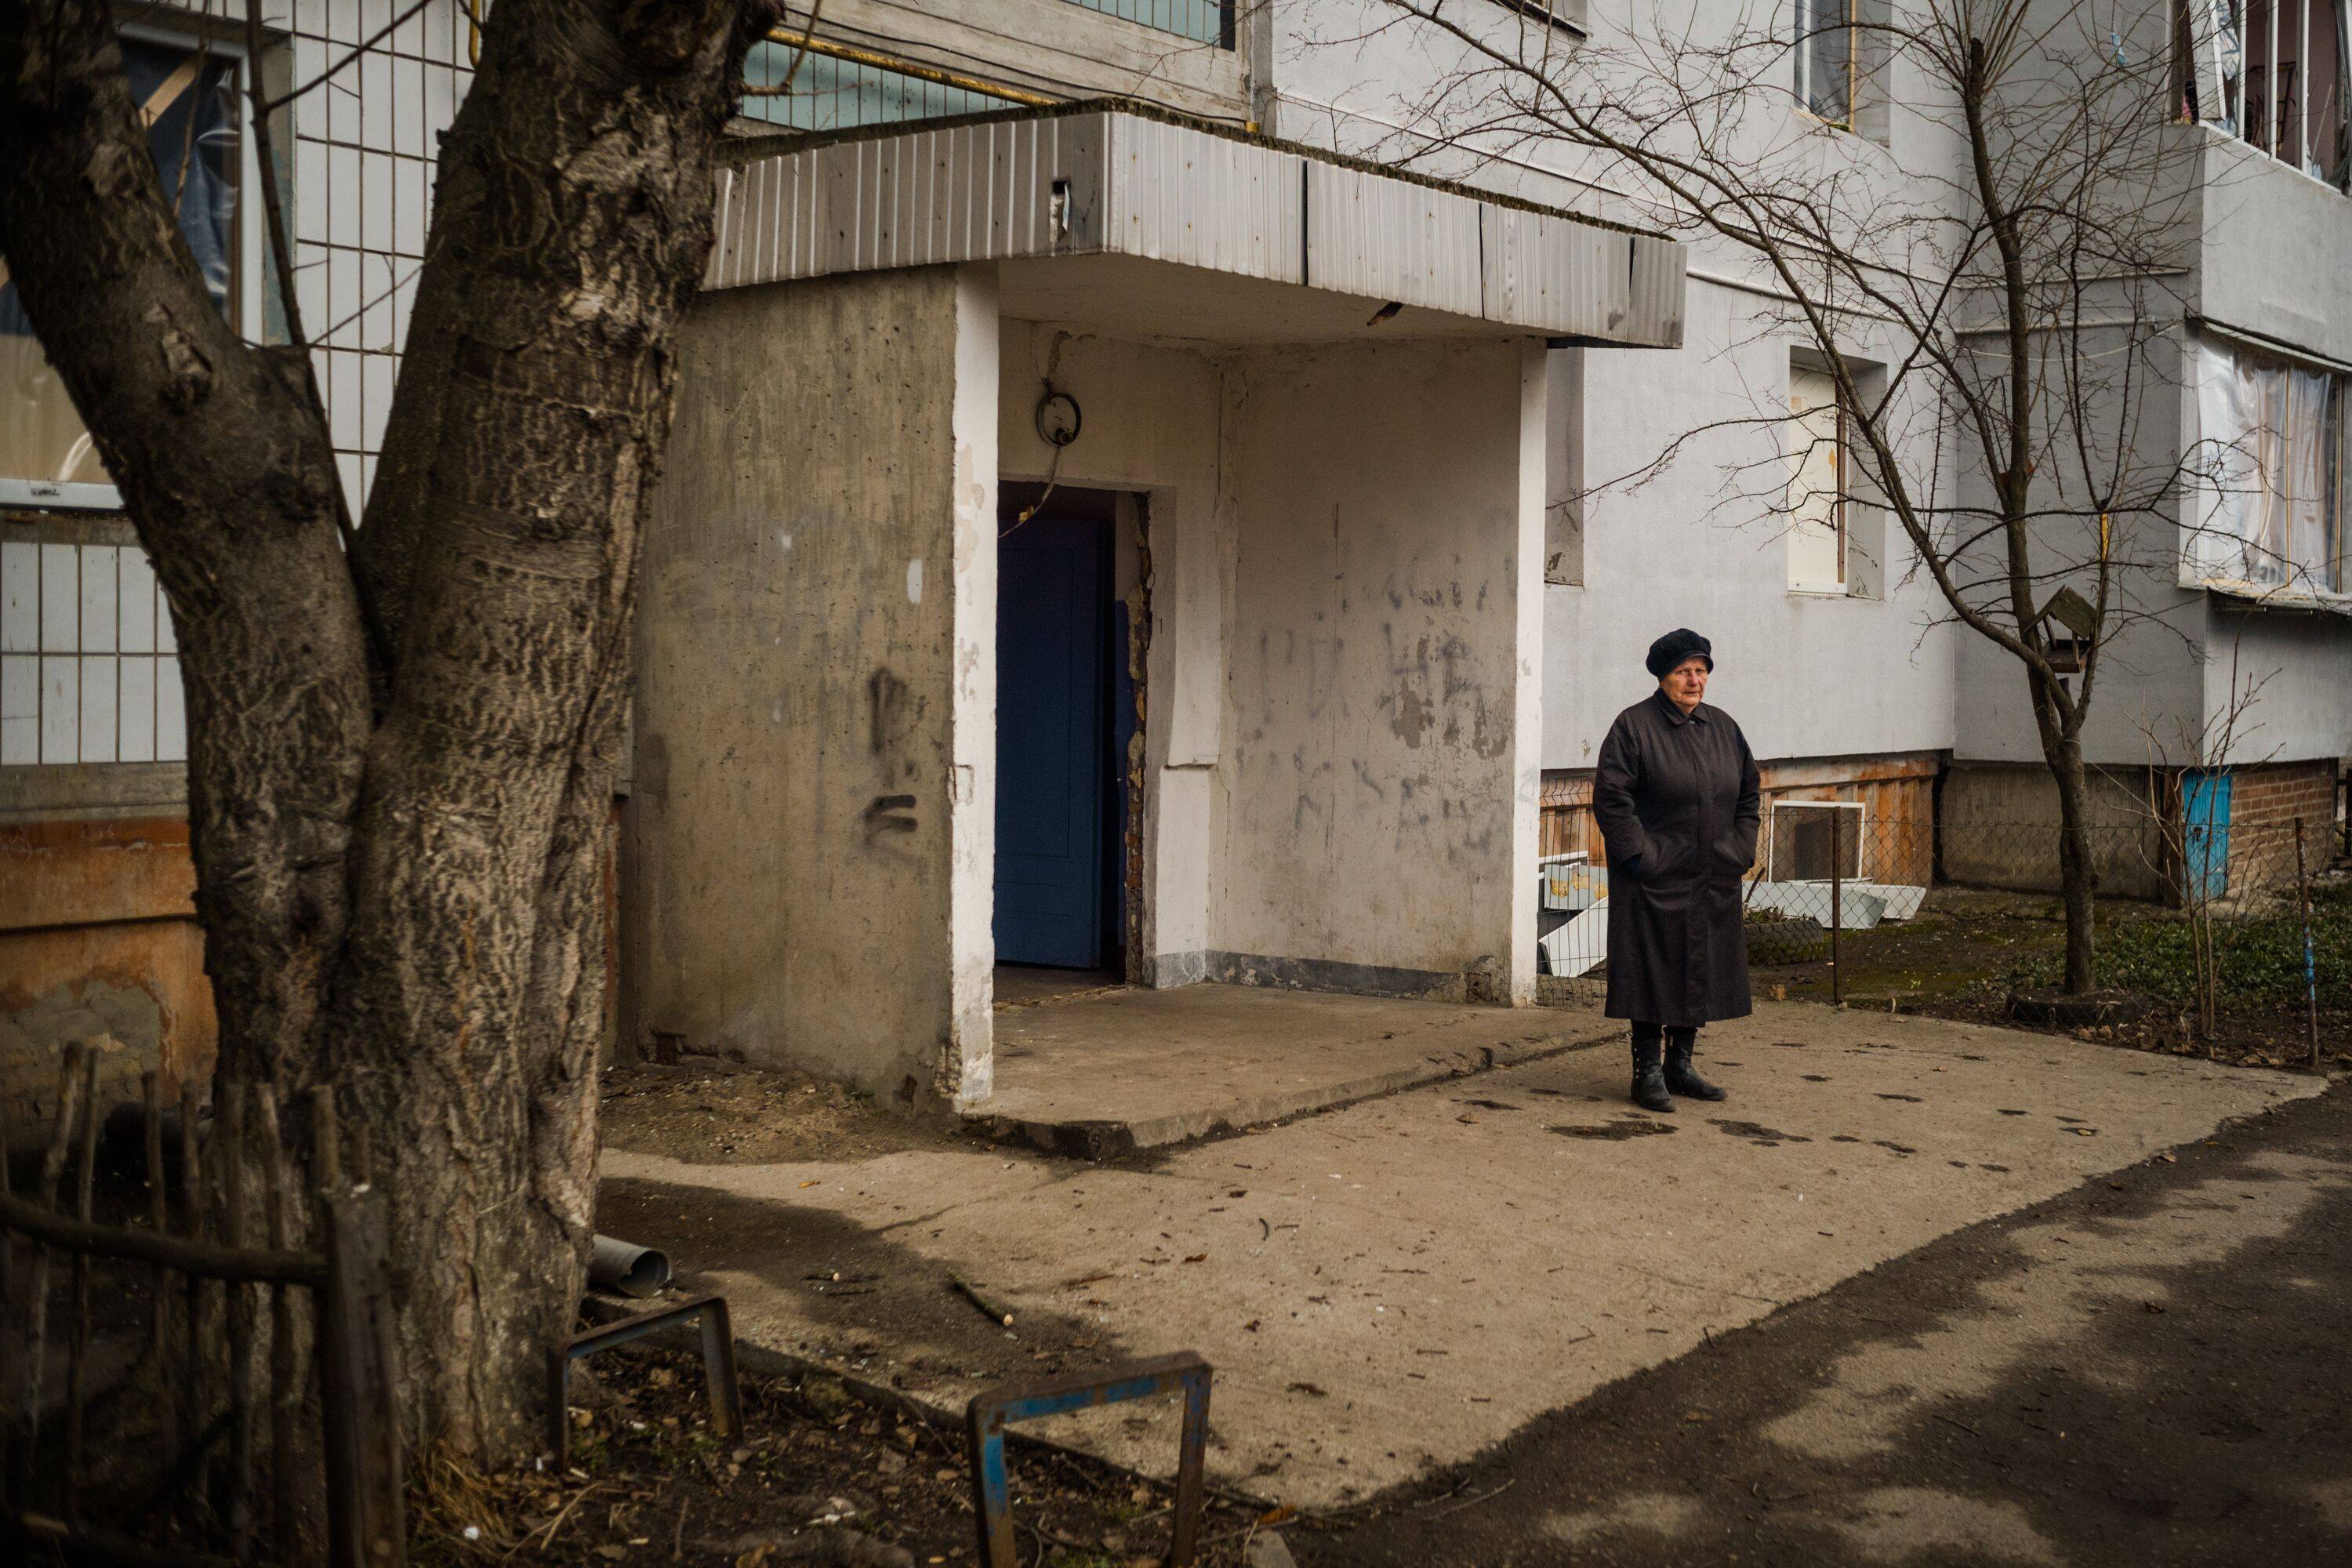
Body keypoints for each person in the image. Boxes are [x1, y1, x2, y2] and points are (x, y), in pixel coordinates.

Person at [1592, 629, 1761, 1112]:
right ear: (1663, 677)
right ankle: (1646, 1071)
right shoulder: (1634, 727)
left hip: (1712, 873)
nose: (1695, 681)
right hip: (1654, 876)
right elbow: (1611, 798)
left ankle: (1680, 1065)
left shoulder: (1724, 729)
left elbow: (1750, 793)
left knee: (1699, 967)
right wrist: (1641, 856)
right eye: (1684, 672)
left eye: (1702, 671)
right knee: (1650, 969)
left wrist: (1740, 848)